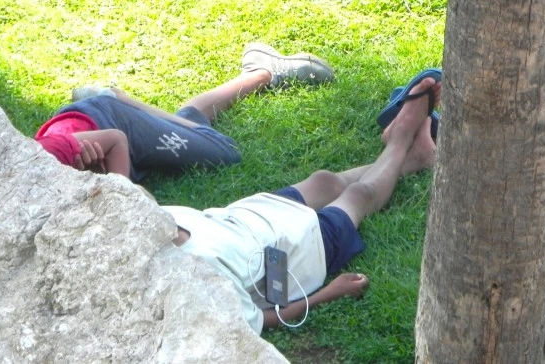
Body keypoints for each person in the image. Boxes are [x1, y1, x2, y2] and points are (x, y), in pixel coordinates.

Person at [163, 74, 441, 333]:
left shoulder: (155, 216)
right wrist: (329, 294)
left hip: (254, 217)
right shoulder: (197, 278)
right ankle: (400, 139)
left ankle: (414, 158)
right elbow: (258, 320)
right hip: (300, 252)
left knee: (324, 181)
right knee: (358, 196)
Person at [35, 43, 335, 182]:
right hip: (91, 129)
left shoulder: (46, 154)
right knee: (188, 126)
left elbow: (114, 140)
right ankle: (257, 68)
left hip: (112, 124)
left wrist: (122, 200)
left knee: (223, 151)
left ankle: (264, 71)